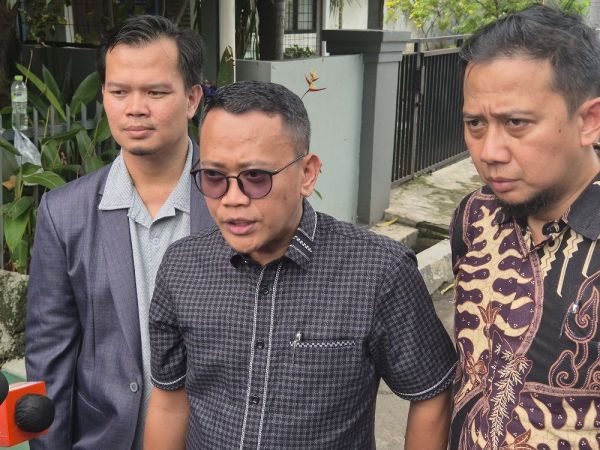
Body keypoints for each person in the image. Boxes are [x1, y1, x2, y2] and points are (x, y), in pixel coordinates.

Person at [144, 80, 457, 449]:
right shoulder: (182, 266)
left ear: (307, 174)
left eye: (255, 177)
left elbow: (431, 390)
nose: (232, 199)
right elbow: (169, 401)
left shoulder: (378, 272)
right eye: (214, 177)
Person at [25, 15, 212, 449]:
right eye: (119, 91)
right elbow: (50, 355)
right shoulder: (64, 213)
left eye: (156, 92)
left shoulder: (236, 203)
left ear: (192, 99)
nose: (135, 108)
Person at [450, 5, 600, 449]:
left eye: (516, 123)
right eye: (475, 124)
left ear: (589, 121)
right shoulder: (474, 216)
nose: (489, 151)